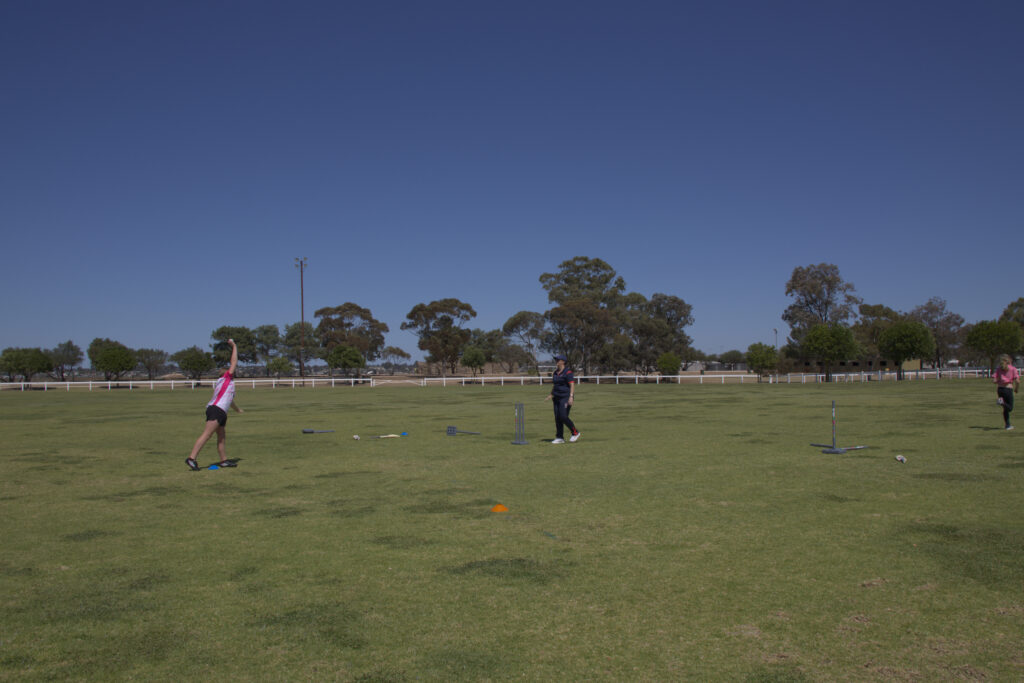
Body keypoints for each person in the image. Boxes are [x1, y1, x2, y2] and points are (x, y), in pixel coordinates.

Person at [186, 338, 244, 470]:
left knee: (221, 436)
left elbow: (230, 401)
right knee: (207, 434)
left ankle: (223, 461)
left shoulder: (228, 384)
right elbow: (234, 361)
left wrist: (237, 410)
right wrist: (234, 345)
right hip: (216, 410)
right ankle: (191, 458)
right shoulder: (226, 378)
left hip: (221, 411)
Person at [546, 353, 581, 444]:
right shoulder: (555, 373)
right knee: (557, 418)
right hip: (556, 397)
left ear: (563, 362)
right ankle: (559, 437)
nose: (556, 361)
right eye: (556, 360)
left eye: (558, 360)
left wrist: (571, 396)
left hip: (565, 397)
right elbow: (556, 385)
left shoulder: (568, 372)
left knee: (563, 416)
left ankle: (575, 432)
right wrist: (551, 394)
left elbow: (572, 384)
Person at [993, 354, 1019, 431]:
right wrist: (1016, 389)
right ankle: (1002, 402)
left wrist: (999, 381)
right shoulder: (1013, 369)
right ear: (1009, 360)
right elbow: (1017, 381)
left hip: (1000, 389)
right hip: (1008, 389)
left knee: (1005, 409)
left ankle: (1007, 425)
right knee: (1010, 408)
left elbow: (994, 380)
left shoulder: (998, 368)